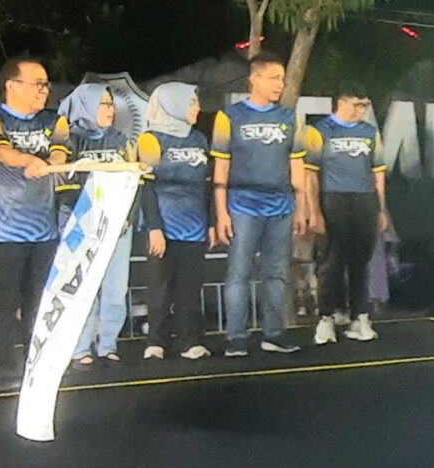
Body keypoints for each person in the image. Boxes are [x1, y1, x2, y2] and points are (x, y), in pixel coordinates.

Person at [0, 57, 72, 388]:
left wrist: (48, 163)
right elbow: (0, 151)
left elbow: (60, 151)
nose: (44, 90)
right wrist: (29, 160)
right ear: (12, 86)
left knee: (40, 302)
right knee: (4, 305)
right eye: (37, 83)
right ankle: (2, 370)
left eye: (46, 84)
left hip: (45, 229)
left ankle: (39, 365)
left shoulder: (54, 120)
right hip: (2, 231)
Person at [211, 54, 307, 357]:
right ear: (255, 79)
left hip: (281, 207)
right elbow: (221, 168)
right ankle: (235, 338)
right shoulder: (229, 117)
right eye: (274, 78)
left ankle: (274, 335)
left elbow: (297, 165)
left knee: (276, 274)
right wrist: (221, 212)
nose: (280, 84)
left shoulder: (291, 118)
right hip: (243, 206)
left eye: (282, 79)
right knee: (238, 273)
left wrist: (301, 207)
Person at [303, 88, 388, 345]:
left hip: (364, 199)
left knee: (361, 261)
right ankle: (326, 318)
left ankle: (360, 316)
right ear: (341, 102)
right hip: (333, 199)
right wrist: (314, 211)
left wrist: (381, 210)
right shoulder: (318, 131)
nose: (361, 110)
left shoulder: (370, 132)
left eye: (365, 105)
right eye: (357, 104)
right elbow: (310, 175)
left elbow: (378, 173)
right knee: (331, 262)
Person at [134, 82, 212, 360]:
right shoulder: (150, 139)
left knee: (190, 289)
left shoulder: (199, 139)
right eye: (191, 103)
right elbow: (145, 187)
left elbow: (206, 185)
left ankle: (191, 341)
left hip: (194, 225)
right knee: (160, 288)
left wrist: (211, 222)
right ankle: (156, 341)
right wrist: (154, 227)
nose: (197, 108)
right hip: (163, 225)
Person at [60, 80, 133, 368]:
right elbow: (63, 183)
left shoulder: (121, 139)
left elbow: (133, 179)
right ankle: (80, 346)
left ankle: (108, 344)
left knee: (116, 288)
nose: (110, 110)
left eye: (111, 104)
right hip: (82, 224)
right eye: (103, 104)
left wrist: (126, 215)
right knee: (83, 287)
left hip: (116, 223)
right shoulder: (69, 139)